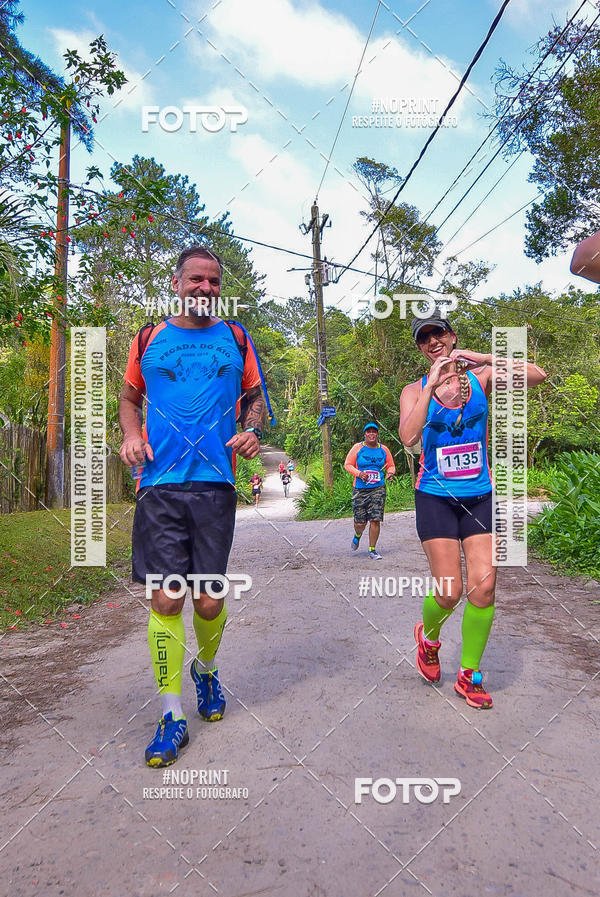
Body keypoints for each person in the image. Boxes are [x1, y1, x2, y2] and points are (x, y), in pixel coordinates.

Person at [119, 245, 266, 767]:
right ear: (177, 282)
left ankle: (205, 669)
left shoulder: (236, 337)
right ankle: (171, 715)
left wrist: (251, 430)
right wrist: (130, 436)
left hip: (215, 485)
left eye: (214, 281)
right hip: (158, 484)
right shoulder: (149, 338)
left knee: (207, 601)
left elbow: (255, 398)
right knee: (165, 599)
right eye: (196, 279)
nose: (206, 288)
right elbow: (129, 399)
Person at [399, 310, 546, 709]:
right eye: (424, 337)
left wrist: (485, 357)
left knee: (484, 588)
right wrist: (431, 386)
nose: (433, 341)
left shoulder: (481, 379)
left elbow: (537, 375)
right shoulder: (414, 390)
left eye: (439, 333)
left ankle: (469, 674)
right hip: (435, 497)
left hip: (479, 495)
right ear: (420, 348)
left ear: (452, 336)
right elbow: (409, 436)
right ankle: (429, 639)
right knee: (449, 593)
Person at [344, 423, 396, 560]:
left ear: (377, 434)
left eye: (374, 432)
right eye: (369, 432)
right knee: (360, 523)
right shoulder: (358, 448)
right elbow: (347, 464)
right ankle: (358, 534)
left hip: (378, 488)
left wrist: (390, 473)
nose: (371, 434)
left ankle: (372, 549)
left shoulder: (383, 449)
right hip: (360, 489)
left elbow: (391, 465)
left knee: (375, 519)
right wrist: (359, 473)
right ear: (365, 434)